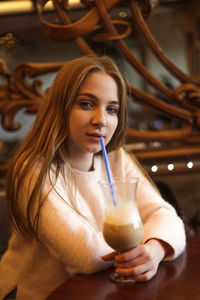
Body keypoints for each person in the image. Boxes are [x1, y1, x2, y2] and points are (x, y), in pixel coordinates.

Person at [0, 55, 186, 300]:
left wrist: (154, 250)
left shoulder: (116, 158)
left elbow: (166, 217)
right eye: (86, 104)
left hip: (101, 290)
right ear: (61, 106)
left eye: (111, 109)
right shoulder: (34, 170)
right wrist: (141, 241)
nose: (101, 120)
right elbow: (85, 256)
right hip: (37, 293)